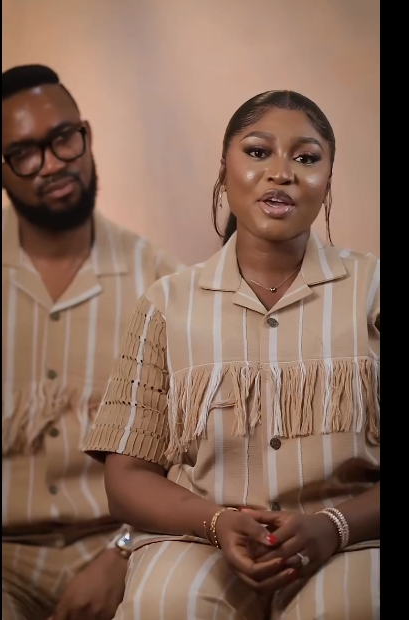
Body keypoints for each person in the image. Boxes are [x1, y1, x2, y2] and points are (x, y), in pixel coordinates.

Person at [84, 90, 380, 619]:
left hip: (352, 539)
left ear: (328, 179)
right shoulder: (165, 304)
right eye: (258, 151)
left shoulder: (373, 291)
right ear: (224, 170)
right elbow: (126, 478)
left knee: (349, 606)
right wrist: (216, 522)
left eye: (306, 158)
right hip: (198, 540)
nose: (281, 173)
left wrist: (334, 527)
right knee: (166, 604)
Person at [2, 64, 184, 620]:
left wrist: (124, 550)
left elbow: (196, 457)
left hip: (124, 546)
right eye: (24, 153)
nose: (52, 164)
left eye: (64, 138)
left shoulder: (159, 282)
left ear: (86, 135)